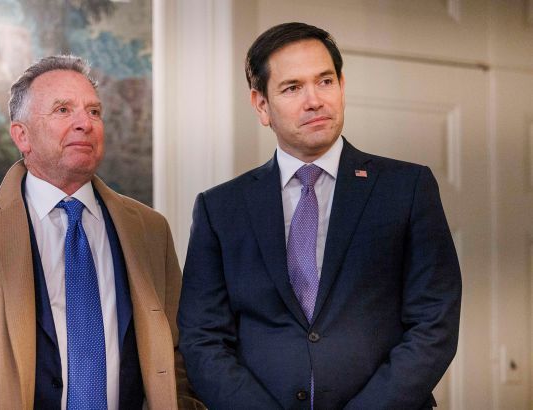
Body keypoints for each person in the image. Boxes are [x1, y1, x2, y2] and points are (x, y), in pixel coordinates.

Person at [178, 22, 462, 409]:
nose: (314, 100)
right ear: (261, 105)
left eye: (325, 81)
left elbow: (434, 322)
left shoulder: (407, 188)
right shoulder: (220, 209)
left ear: (342, 86)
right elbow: (202, 338)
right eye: (292, 88)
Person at [0, 55, 198, 409]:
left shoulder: (150, 230)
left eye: (94, 112)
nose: (84, 123)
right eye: (63, 110)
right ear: (22, 136)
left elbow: (178, 355)